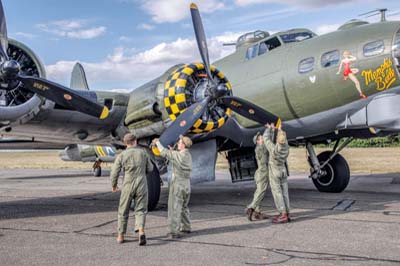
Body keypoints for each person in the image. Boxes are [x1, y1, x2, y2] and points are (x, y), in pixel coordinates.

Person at [110, 133, 153, 245]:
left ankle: (120, 236)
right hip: (141, 183)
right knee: (141, 209)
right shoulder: (143, 153)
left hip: (127, 184)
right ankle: (141, 232)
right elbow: (150, 168)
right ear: (135, 141)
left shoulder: (122, 155)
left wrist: (114, 185)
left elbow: (114, 172)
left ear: (125, 143)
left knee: (123, 210)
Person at [153, 135, 192, 239]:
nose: (178, 144)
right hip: (186, 184)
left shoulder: (177, 155)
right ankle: (186, 226)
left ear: (183, 145)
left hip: (178, 184)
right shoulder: (187, 155)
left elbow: (164, 152)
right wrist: (172, 152)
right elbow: (176, 158)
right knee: (184, 206)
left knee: (174, 207)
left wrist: (157, 143)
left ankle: (173, 232)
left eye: (179, 143)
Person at [263, 123, 291, 223]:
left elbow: (266, 139)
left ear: (278, 141)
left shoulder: (274, 150)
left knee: (277, 193)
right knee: (285, 192)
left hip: (275, 172)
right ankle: (287, 212)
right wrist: (279, 129)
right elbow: (283, 139)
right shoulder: (286, 148)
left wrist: (269, 129)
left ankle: (282, 214)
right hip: (283, 171)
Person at [245, 132, 269, 221]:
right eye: (261, 138)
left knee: (258, 192)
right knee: (261, 192)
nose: (263, 138)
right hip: (263, 173)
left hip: (260, 173)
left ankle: (257, 212)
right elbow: (265, 160)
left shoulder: (260, 148)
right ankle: (251, 208)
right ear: (258, 141)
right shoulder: (261, 148)